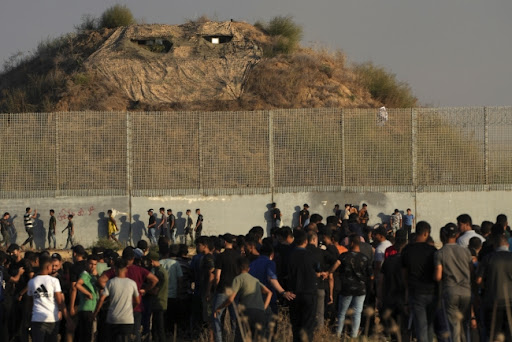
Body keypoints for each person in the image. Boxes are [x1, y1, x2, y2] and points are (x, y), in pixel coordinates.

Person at [214, 257, 272, 342]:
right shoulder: (255, 280)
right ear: (248, 269)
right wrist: (263, 307)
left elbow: (230, 299)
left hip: (246, 312)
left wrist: (219, 308)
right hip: (260, 313)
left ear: (237, 268)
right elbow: (269, 293)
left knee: (241, 338)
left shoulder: (238, 279)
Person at [329, 234, 373, 338]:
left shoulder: (344, 256)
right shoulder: (365, 258)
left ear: (352, 243)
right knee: (357, 313)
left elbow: (335, 266)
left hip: (346, 289)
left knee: (342, 313)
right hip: (361, 289)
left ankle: (338, 334)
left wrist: (328, 272)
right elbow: (371, 276)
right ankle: (353, 336)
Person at [434, 223, 472, 342]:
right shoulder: (466, 252)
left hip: (450, 292)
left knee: (453, 327)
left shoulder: (440, 253)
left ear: (444, 235)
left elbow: (438, 276)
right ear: (457, 235)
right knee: (465, 325)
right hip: (466, 292)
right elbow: (471, 271)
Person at [402, 221, 438, 342]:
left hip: (415, 292)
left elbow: (404, 275)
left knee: (420, 326)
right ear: (426, 233)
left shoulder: (407, 250)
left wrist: (406, 297)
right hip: (432, 291)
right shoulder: (433, 251)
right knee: (430, 326)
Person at [94, 258, 140, 342]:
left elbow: (102, 299)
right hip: (127, 319)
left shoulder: (110, 283)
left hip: (113, 319)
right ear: (126, 269)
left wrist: (95, 313)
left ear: (114, 269)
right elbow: (137, 301)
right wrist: (130, 309)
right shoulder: (132, 283)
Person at [27, 256, 72, 342]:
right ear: (48, 267)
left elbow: (29, 303)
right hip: (52, 318)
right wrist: (68, 318)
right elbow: (60, 302)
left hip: (37, 319)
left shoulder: (31, 282)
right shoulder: (54, 281)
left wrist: (29, 317)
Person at [476, 235, 512, 339]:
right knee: (509, 334)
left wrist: (486, 287)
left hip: (492, 301)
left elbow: (478, 280)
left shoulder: (488, 258)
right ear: (508, 245)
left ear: (495, 246)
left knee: (493, 334)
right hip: (510, 301)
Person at [287, 230, 320, 342]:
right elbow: (318, 268)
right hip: (309, 292)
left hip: (293, 293)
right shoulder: (310, 255)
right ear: (306, 241)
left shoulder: (290, 255)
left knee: (296, 325)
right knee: (308, 326)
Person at [212, 233, 239, 342]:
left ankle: (219, 340)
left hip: (222, 289)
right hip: (235, 291)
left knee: (216, 317)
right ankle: (234, 339)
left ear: (225, 242)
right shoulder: (239, 256)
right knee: (234, 319)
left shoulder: (221, 256)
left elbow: (217, 276)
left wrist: (215, 287)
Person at [75, 255, 99, 342]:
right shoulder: (84, 274)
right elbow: (77, 284)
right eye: (91, 264)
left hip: (91, 308)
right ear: (87, 264)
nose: (93, 266)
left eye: (95, 264)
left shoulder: (92, 275)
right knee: (88, 335)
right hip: (86, 308)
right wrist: (88, 294)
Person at [147, 250, 168, 342]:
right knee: (156, 328)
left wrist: (145, 290)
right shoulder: (161, 270)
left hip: (159, 302)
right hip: (160, 302)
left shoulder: (159, 273)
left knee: (159, 329)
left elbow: (155, 290)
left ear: (151, 261)